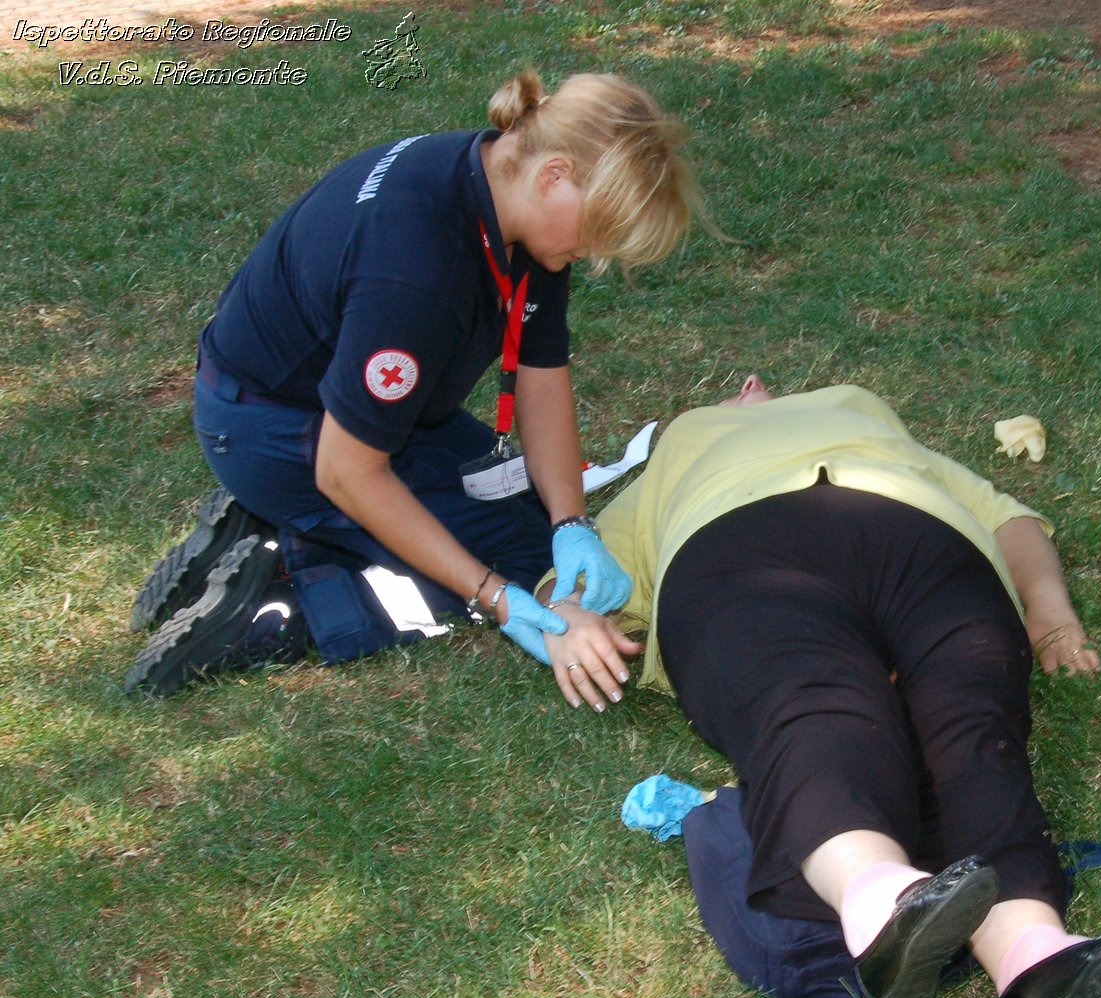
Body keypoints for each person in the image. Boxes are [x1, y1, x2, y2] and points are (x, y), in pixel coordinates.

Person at [534, 375, 1101, 998]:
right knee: (810, 704)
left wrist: (1050, 608)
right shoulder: (672, 463)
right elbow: (579, 579)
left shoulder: (864, 417)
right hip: (734, 544)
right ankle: (882, 900)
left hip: (916, 530)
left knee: (971, 728)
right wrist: (565, 612)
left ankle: (1036, 957)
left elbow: (1007, 517)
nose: (746, 386)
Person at [125, 68, 710, 696]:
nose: (596, 253)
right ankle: (272, 607)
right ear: (555, 176)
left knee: (533, 530)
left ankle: (267, 529)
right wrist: (498, 600)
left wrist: (571, 523)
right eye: (600, 229)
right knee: (505, 565)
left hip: (348, 411)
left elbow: (542, 379)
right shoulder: (417, 274)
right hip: (275, 430)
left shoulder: (502, 182)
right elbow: (348, 471)